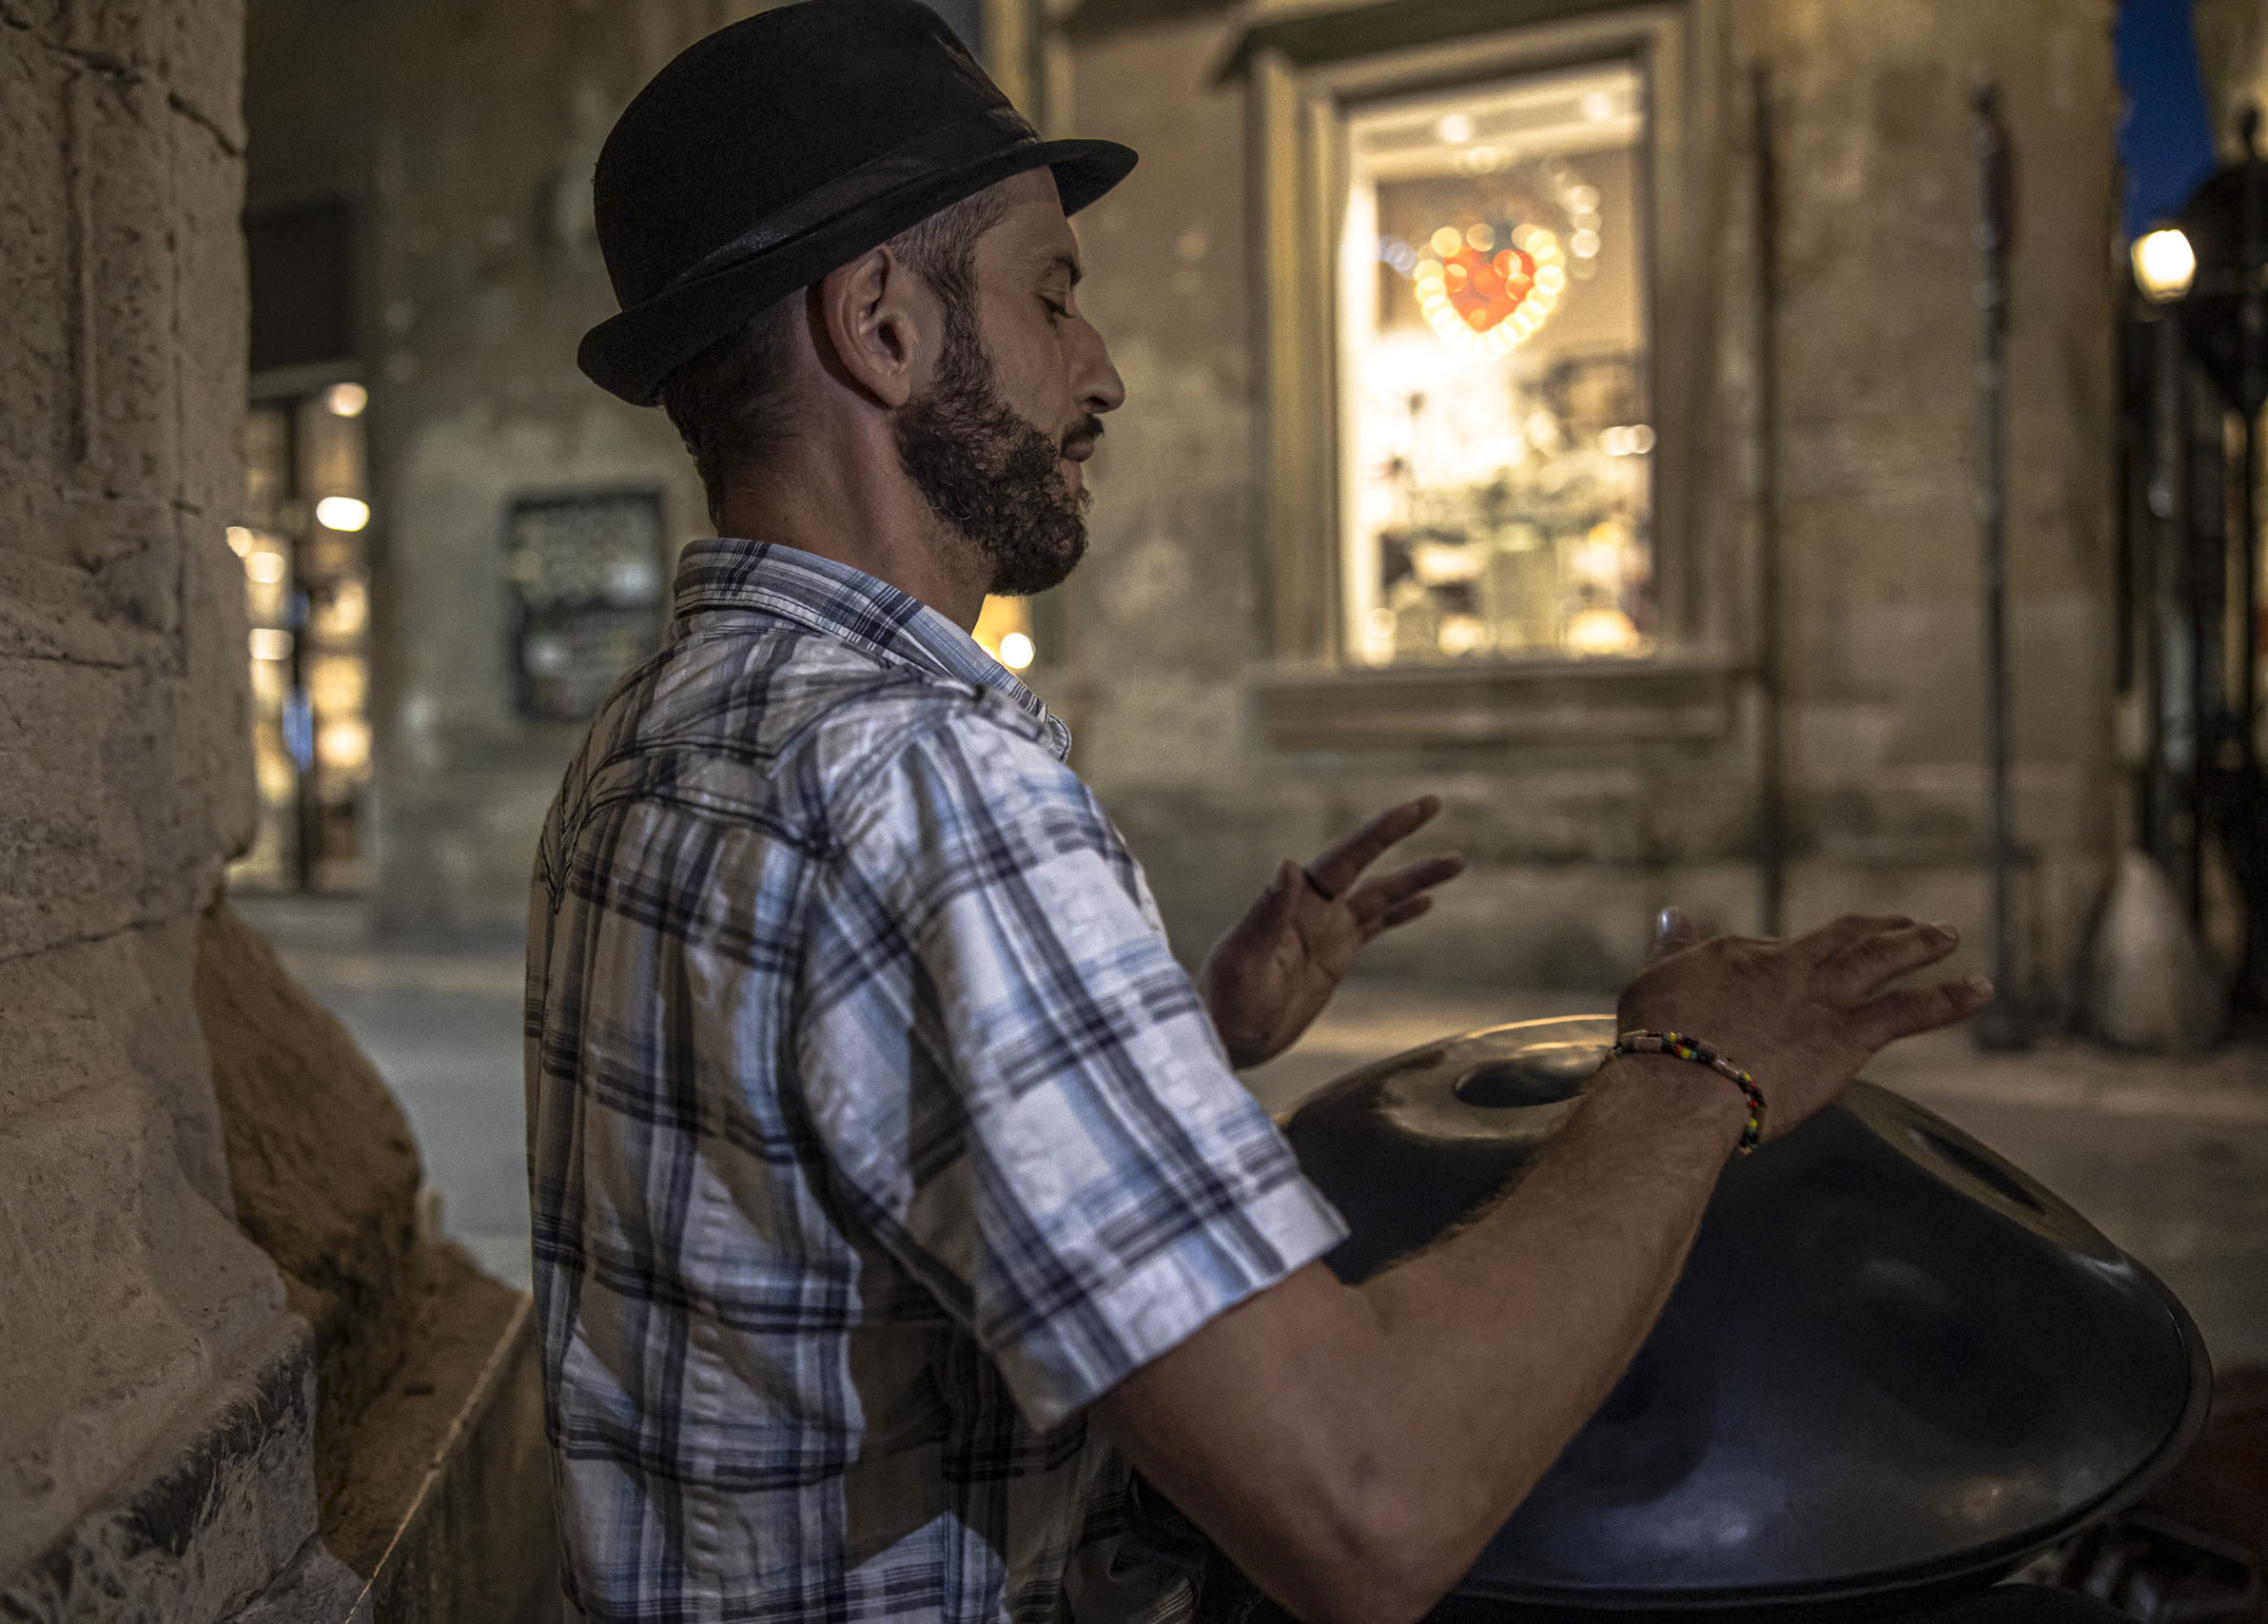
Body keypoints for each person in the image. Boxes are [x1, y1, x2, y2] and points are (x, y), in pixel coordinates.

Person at [525, 6, 2077, 1622]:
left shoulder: (655, 736)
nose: (1102, 368)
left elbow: (810, 1178)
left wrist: (1192, 1030)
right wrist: (1695, 1076)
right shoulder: (922, 786)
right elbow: (1364, 1502)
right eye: (1053, 294)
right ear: (885, 330)